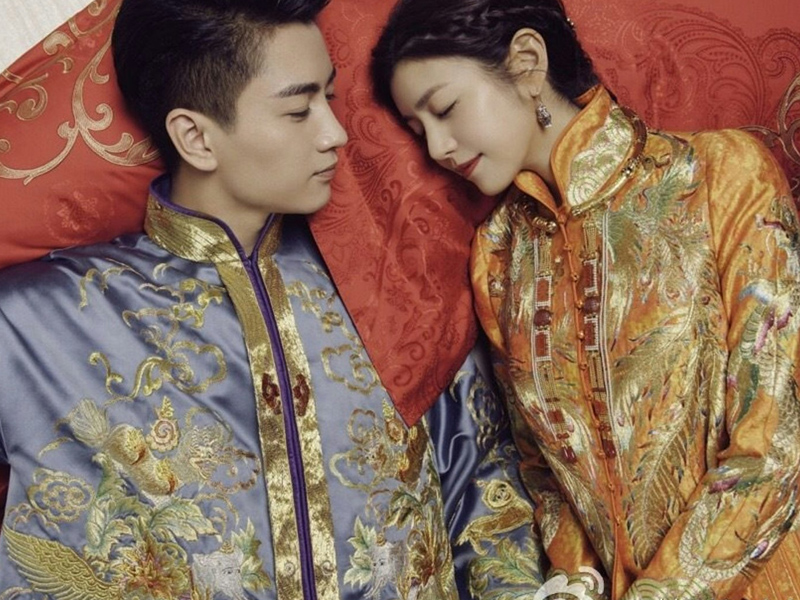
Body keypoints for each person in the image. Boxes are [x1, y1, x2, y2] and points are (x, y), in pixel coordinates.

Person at [0, 0, 548, 597]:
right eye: (298, 110)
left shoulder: (396, 282)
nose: (335, 134)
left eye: (330, 98)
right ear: (195, 137)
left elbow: (484, 489)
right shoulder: (33, 324)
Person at [371, 0, 800, 599]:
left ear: (527, 61)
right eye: (418, 132)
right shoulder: (498, 257)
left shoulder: (719, 175)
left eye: (445, 109)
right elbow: (544, 471)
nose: (439, 147)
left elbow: (776, 443)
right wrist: (575, 579)